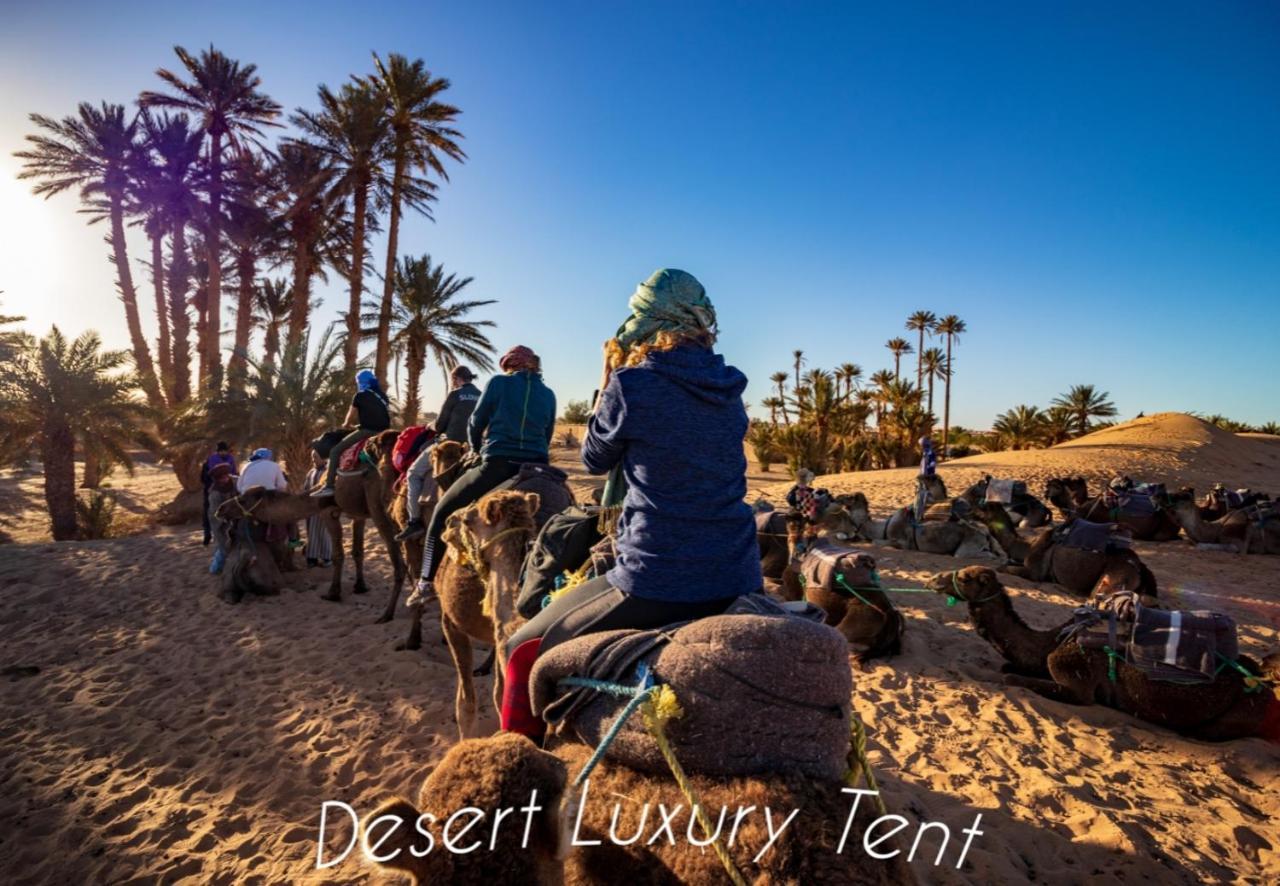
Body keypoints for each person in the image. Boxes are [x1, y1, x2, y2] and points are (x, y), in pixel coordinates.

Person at [500, 268, 760, 738]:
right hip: (738, 571)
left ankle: (518, 785)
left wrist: (607, 382)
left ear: (646, 324)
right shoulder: (731, 390)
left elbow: (595, 459)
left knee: (520, 650)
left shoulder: (632, 384)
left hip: (657, 574)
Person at [413, 346, 556, 599]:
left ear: (509, 365)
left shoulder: (499, 383)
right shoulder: (548, 393)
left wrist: (479, 450)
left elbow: (476, 423)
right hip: (539, 466)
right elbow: (547, 434)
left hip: (499, 463)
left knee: (441, 513)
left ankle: (425, 583)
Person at [395, 365, 482, 542]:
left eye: (453, 380)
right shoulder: (481, 395)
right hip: (474, 447)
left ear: (456, 379)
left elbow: (441, 424)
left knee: (413, 473)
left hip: (449, 445)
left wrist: (429, 426)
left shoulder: (455, 394)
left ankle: (414, 522)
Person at [312, 370, 391, 497]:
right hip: (385, 430)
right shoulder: (383, 396)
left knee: (335, 451)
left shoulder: (360, 395)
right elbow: (381, 416)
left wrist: (346, 425)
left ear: (360, 382)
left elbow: (350, 416)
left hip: (368, 430)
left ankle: (329, 486)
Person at [200, 442, 238, 545]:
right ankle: (207, 535)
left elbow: (234, 472)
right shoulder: (211, 459)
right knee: (211, 513)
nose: (223, 453)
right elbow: (206, 477)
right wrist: (214, 485)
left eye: (224, 450)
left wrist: (231, 482)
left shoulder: (231, 459)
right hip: (213, 488)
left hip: (230, 488)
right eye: (221, 451)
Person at [303, 449, 333, 567]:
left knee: (325, 533)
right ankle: (312, 558)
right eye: (312, 457)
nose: (313, 459)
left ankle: (327, 558)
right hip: (311, 508)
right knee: (311, 533)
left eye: (315, 457)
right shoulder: (311, 472)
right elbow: (306, 488)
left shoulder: (329, 472)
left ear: (324, 458)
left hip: (324, 506)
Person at [914, 436, 937, 521]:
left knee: (924, 496)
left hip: (928, 477)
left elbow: (932, 464)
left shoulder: (931, 453)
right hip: (923, 477)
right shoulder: (925, 453)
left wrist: (928, 469)